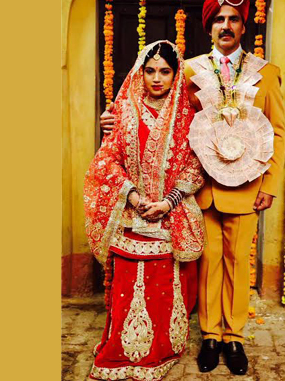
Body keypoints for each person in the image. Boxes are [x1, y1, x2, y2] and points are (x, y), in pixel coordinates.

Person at [100, 0, 285, 376]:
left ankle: (234, 337)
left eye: (233, 19)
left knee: (237, 262)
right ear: (209, 26)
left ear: (243, 26)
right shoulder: (189, 70)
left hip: (248, 188)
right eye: (219, 19)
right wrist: (113, 120)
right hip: (200, 187)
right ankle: (210, 336)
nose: (226, 25)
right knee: (208, 262)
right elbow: (154, 105)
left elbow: (279, 132)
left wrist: (271, 186)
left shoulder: (266, 74)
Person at [83, 40, 206, 381]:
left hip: (170, 215)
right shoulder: (123, 111)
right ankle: (122, 350)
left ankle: (161, 350)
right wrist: (135, 197)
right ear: (140, 72)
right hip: (130, 212)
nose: (156, 78)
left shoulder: (188, 115)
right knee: (128, 288)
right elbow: (108, 161)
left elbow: (196, 164)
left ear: (175, 74)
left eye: (165, 71)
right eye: (150, 70)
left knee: (163, 287)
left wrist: (168, 202)